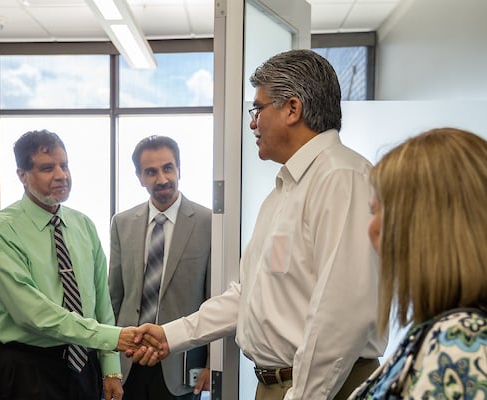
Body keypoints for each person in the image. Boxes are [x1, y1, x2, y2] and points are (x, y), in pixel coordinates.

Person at [131, 49, 387, 400]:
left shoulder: (341, 179)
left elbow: (341, 315)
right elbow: (247, 295)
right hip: (280, 386)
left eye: (258, 109)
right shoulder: (285, 190)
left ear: (292, 109)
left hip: (323, 388)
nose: (253, 123)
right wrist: (170, 335)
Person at [0, 129, 157, 400]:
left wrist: (110, 369)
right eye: (48, 168)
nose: (61, 175)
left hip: (84, 364)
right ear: (22, 176)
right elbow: (34, 313)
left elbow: (101, 304)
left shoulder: (83, 225)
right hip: (28, 369)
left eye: (65, 165)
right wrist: (112, 337)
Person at [349, 128, 487, 399]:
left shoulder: (460, 344)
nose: (371, 228)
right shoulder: (443, 329)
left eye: (377, 212)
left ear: (427, 225)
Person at [109, 135, 212, 399]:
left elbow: (215, 301)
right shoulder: (122, 223)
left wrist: (214, 363)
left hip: (181, 362)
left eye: (168, 168)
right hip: (129, 360)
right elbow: (114, 298)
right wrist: (108, 365)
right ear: (139, 177)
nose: (162, 179)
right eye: (151, 172)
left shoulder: (208, 222)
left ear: (179, 169)